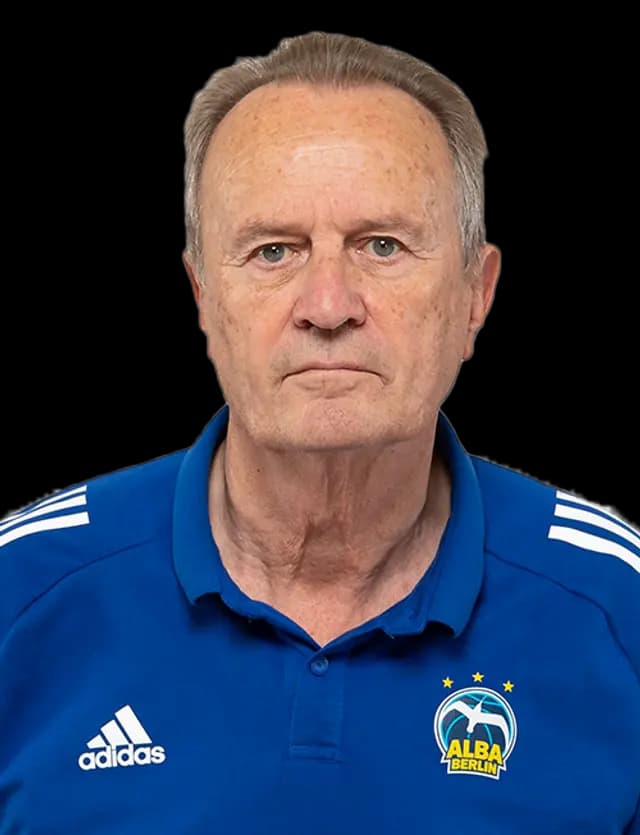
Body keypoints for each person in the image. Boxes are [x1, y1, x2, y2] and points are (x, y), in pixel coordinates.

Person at [1, 30, 638, 834]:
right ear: (203, 296)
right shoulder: (20, 590)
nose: (328, 306)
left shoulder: (618, 604)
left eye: (383, 245)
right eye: (274, 251)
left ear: (475, 295)